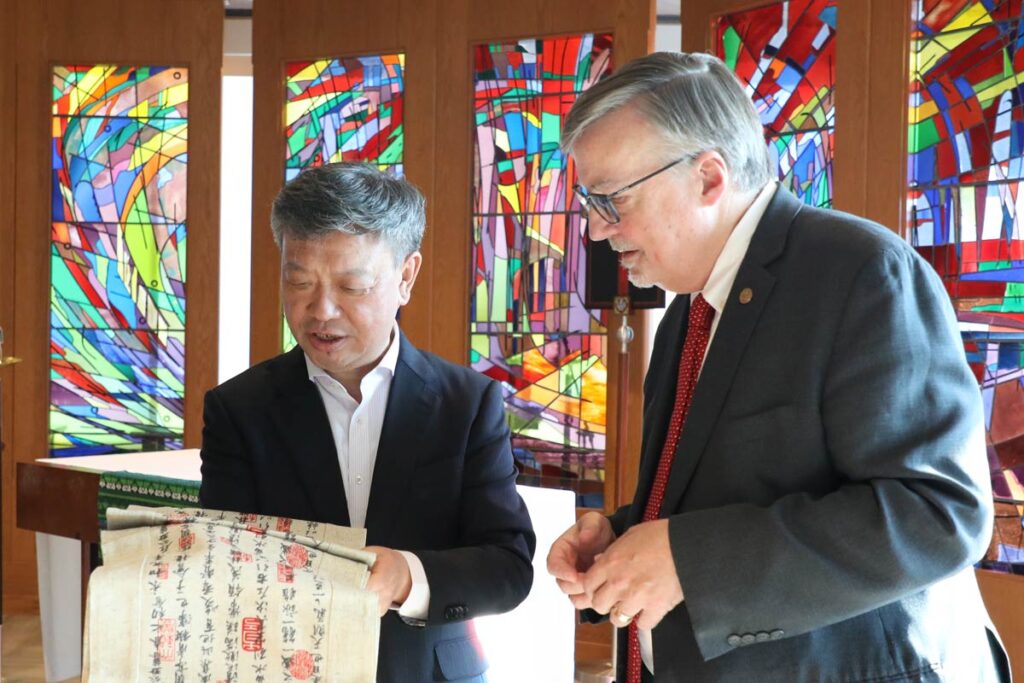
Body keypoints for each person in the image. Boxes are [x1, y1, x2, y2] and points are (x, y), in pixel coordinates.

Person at [546, 51, 1010, 682]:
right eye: (589, 201)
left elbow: (937, 514)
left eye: (612, 200)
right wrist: (625, 539)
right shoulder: (690, 306)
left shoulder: (862, 272)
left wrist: (688, 559)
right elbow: (744, 489)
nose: (598, 232)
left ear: (708, 179)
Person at [200, 162, 535, 682]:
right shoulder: (239, 410)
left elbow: (507, 567)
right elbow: (225, 564)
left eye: (351, 286)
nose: (320, 310)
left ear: (406, 277)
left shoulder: (466, 405)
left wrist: (408, 576)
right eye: (298, 281)